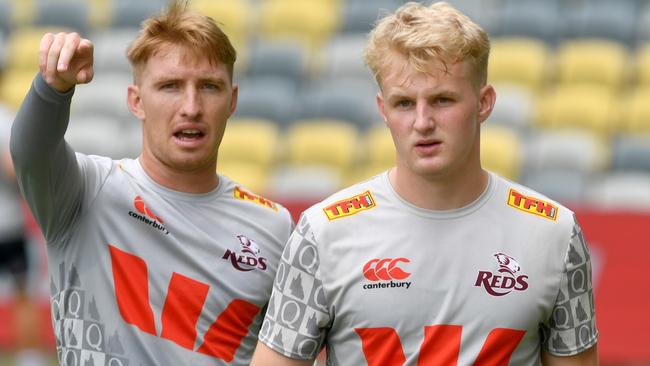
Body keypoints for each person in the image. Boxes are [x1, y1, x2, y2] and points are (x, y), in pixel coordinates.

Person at [250, 2, 598, 365]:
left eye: (441, 100)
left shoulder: (555, 233)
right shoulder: (322, 234)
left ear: (484, 103)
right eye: (403, 103)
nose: (422, 122)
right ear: (383, 110)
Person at [10, 1, 293, 365]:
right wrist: (53, 88)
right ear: (137, 101)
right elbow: (30, 151)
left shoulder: (275, 228)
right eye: (170, 86)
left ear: (232, 101)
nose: (191, 106)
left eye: (209, 86)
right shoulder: (85, 192)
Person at [1, 104, 48, 366]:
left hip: (7, 224)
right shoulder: (6, 120)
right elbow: (14, 169)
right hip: (8, 223)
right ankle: (30, 359)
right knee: (23, 294)